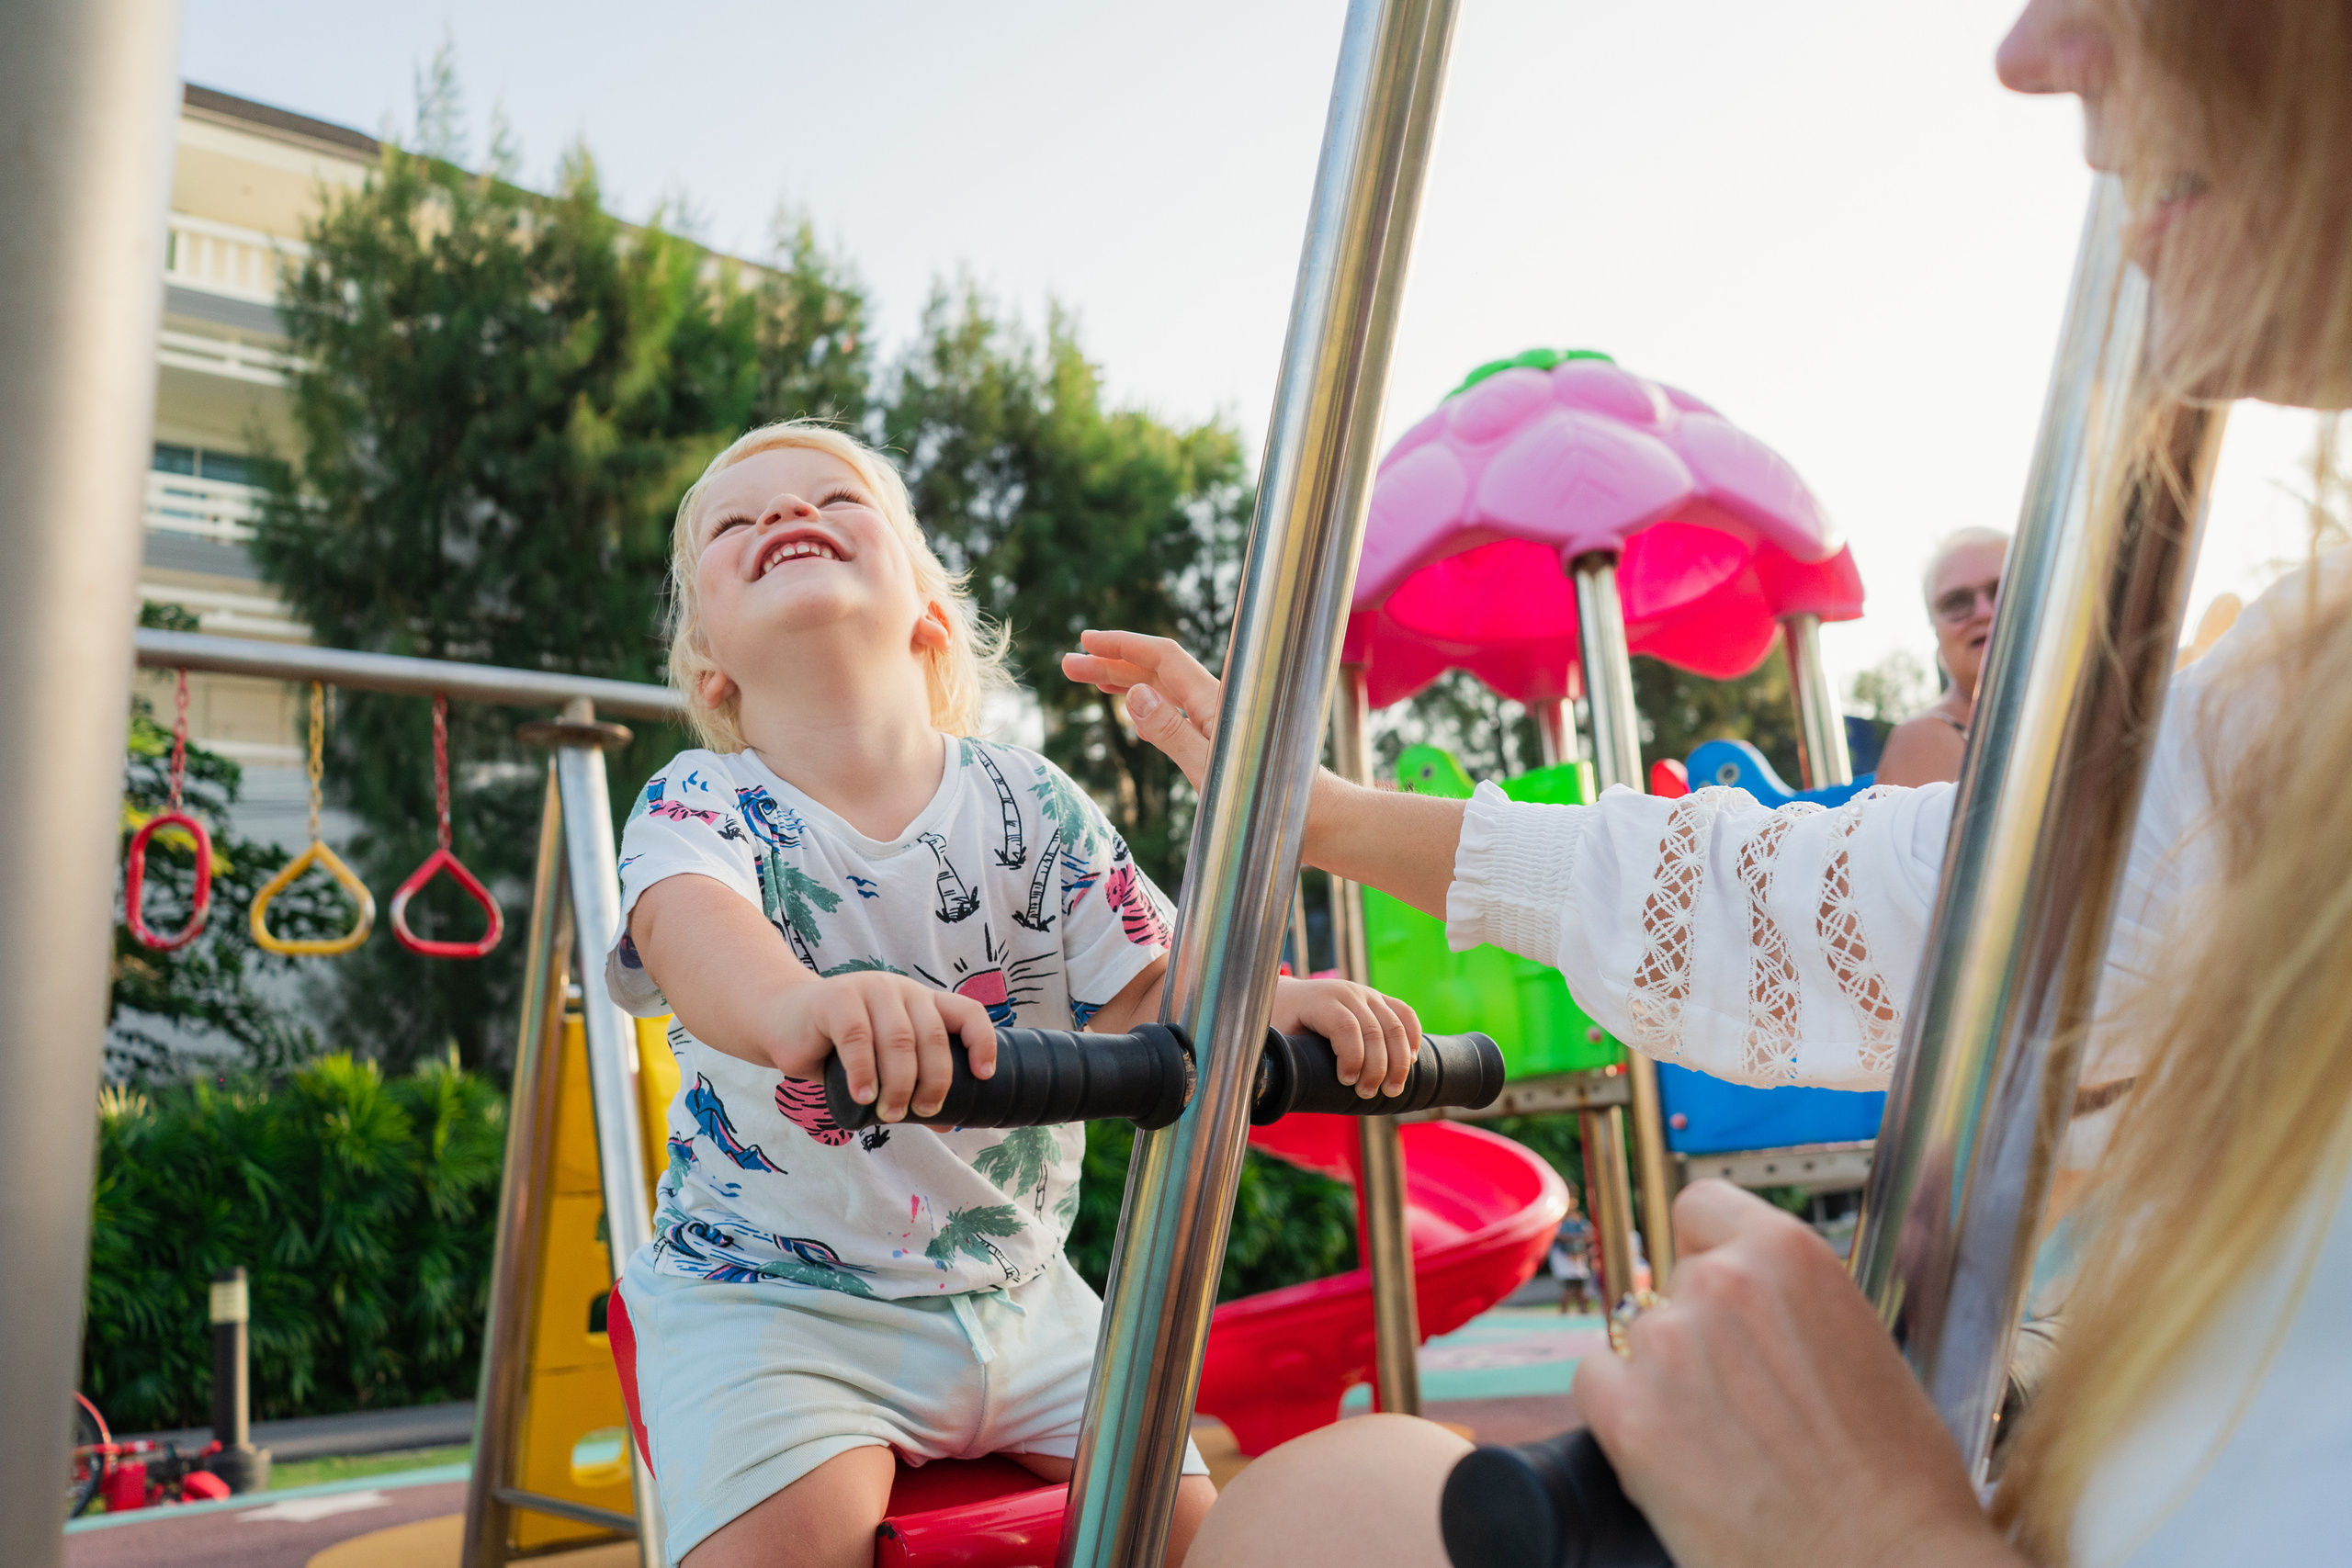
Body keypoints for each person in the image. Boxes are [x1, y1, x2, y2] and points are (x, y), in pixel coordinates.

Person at [1075, 1, 2352, 1559]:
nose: (2030, 50)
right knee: (1318, 1503)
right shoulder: (2293, 694)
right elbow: (1889, 895)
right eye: (1957, 601)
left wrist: (1877, 1524)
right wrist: (1326, 813)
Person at [606, 420, 1425, 1568]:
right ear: (710, 665)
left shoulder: (1028, 801)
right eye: (736, 522)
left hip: (1029, 1293)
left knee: (1187, 1536)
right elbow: (693, 931)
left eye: (836, 502)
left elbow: (1151, 984)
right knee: (792, 1545)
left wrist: (1270, 1006)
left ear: (929, 615)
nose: (786, 515)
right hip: (777, 1300)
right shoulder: (697, 800)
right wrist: (799, 1008)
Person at [1876, 527, 2009, 786]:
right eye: (1956, 602)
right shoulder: (1924, 740)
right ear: (1934, 628)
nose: (1983, 612)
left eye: (2003, 590)